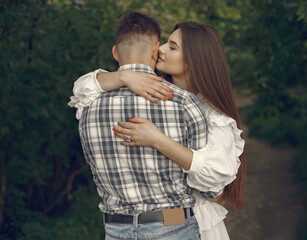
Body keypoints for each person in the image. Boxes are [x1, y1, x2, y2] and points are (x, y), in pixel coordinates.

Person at [69, 21, 246, 240]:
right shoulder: (149, 89)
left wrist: (157, 140)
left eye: (172, 47)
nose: (160, 48)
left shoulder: (214, 117)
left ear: (194, 59)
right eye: (164, 43)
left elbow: (216, 188)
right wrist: (125, 76)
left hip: (195, 222)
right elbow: (82, 89)